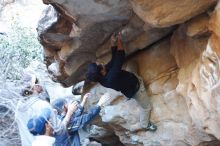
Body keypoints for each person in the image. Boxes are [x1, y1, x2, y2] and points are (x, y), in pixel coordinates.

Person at [85, 33, 157, 131]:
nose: (100, 63)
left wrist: (112, 44)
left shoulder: (101, 75)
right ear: (101, 71)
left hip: (129, 79)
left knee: (132, 64)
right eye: (99, 65)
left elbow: (113, 60)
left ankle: (135, 77)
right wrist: (119, 39)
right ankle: (145, 125)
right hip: (136, 89)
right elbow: (120, 56)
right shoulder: (111, 77)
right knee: (147, 107)